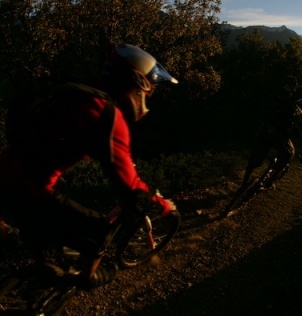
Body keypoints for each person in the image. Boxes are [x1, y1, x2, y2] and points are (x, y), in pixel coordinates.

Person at [0, 44, 179, 290]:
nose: (148, 98)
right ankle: (88, 278)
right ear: (138, 84)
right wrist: (161, 205)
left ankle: (40, 270)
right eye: (150, 91)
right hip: (29, 190)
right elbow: (131, 191)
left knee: (43, 224)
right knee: (99, 231)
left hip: (4, 173)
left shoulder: (75, 92)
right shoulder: (106, 115)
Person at [241, 98, 302, 188]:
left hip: (265, 130)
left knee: (254, 159)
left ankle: (244, 182)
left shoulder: (284, 105)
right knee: (290, 154)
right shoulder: (301, 116)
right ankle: (271, 181)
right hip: (279, 136)